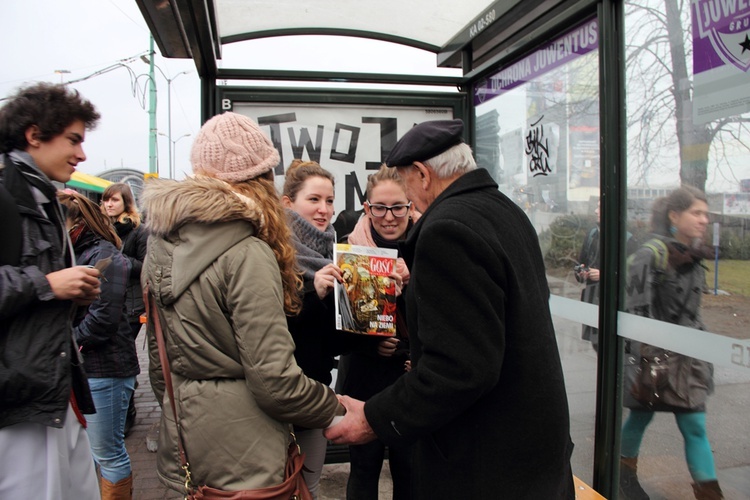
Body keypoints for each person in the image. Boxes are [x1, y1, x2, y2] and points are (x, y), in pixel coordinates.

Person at [325, 119, 575, 498]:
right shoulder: (507, 211)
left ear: (423, 175)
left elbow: (459, 368)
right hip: (533, 454)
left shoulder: (447, 228)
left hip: (486, 465)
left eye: (406, 185)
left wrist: (374, 419)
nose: (408, 203)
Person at [141, 112, 343, 494]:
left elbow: (158, 366)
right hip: (248, 455)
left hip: (185, 445)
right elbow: (276, 384)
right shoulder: (248, 252)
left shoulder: (160, 244)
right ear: (263, 180)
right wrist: (336, 406)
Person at [0, 82, 102, 499]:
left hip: (49, 389)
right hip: (21, 397)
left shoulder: (42, 197)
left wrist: (72, 295)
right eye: (74, 139)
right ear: (34, 134)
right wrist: (48, 284)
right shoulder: (9, 192)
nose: (81, 154)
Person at [620, 186, 721, 500]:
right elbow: (636, 311)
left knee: (695, 425)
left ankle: (709, 494)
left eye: (706, 214)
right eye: (697, 213)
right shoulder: (652, 253)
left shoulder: (691, 253)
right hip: (655, 359)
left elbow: (693, 313)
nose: (704, 220)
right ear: (675, 216)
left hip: (687, 361)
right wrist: (644, 361)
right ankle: (623, 479)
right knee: (640, 416)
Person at [336, 164, 416, 500]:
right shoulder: (350, 248)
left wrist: (417, 354)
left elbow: (446, 317)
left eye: (398, 207)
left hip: (412, 380)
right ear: (367, 208)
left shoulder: (428, 243)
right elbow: (338, 326)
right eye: (379, 207)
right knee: (364, 469)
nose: (389, 216)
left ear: (409, 206)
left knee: (410, 471)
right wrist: (371, 347)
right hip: (365, 379)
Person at [281, 159, 357, 498]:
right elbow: (269, 329)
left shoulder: (334, 254)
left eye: (329, 200)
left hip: (314, 392)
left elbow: (332, 343)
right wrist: (315, 294)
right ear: (288, 203)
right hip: (275, 398)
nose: (324, 209)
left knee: (309, 487)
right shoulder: (272, 253)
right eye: (314, 200)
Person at [59, 190, 140, 499]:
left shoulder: (104, 255)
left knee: (108, 453)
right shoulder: (77, 253)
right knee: (94, 453)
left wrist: (64, 342)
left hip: (105, 369)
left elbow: (102, 319)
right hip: (87, 367)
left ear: (76, 223)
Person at [102, 182, 147, 436]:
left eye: (115, 200)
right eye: (107, 200)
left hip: (130, 306)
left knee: (123, 359)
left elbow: (144, 266)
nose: (109, 204)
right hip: (108, 303)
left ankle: (128, 411)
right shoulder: (101, 228)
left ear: (126, 203)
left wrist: (119, 261)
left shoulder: (139, 231)